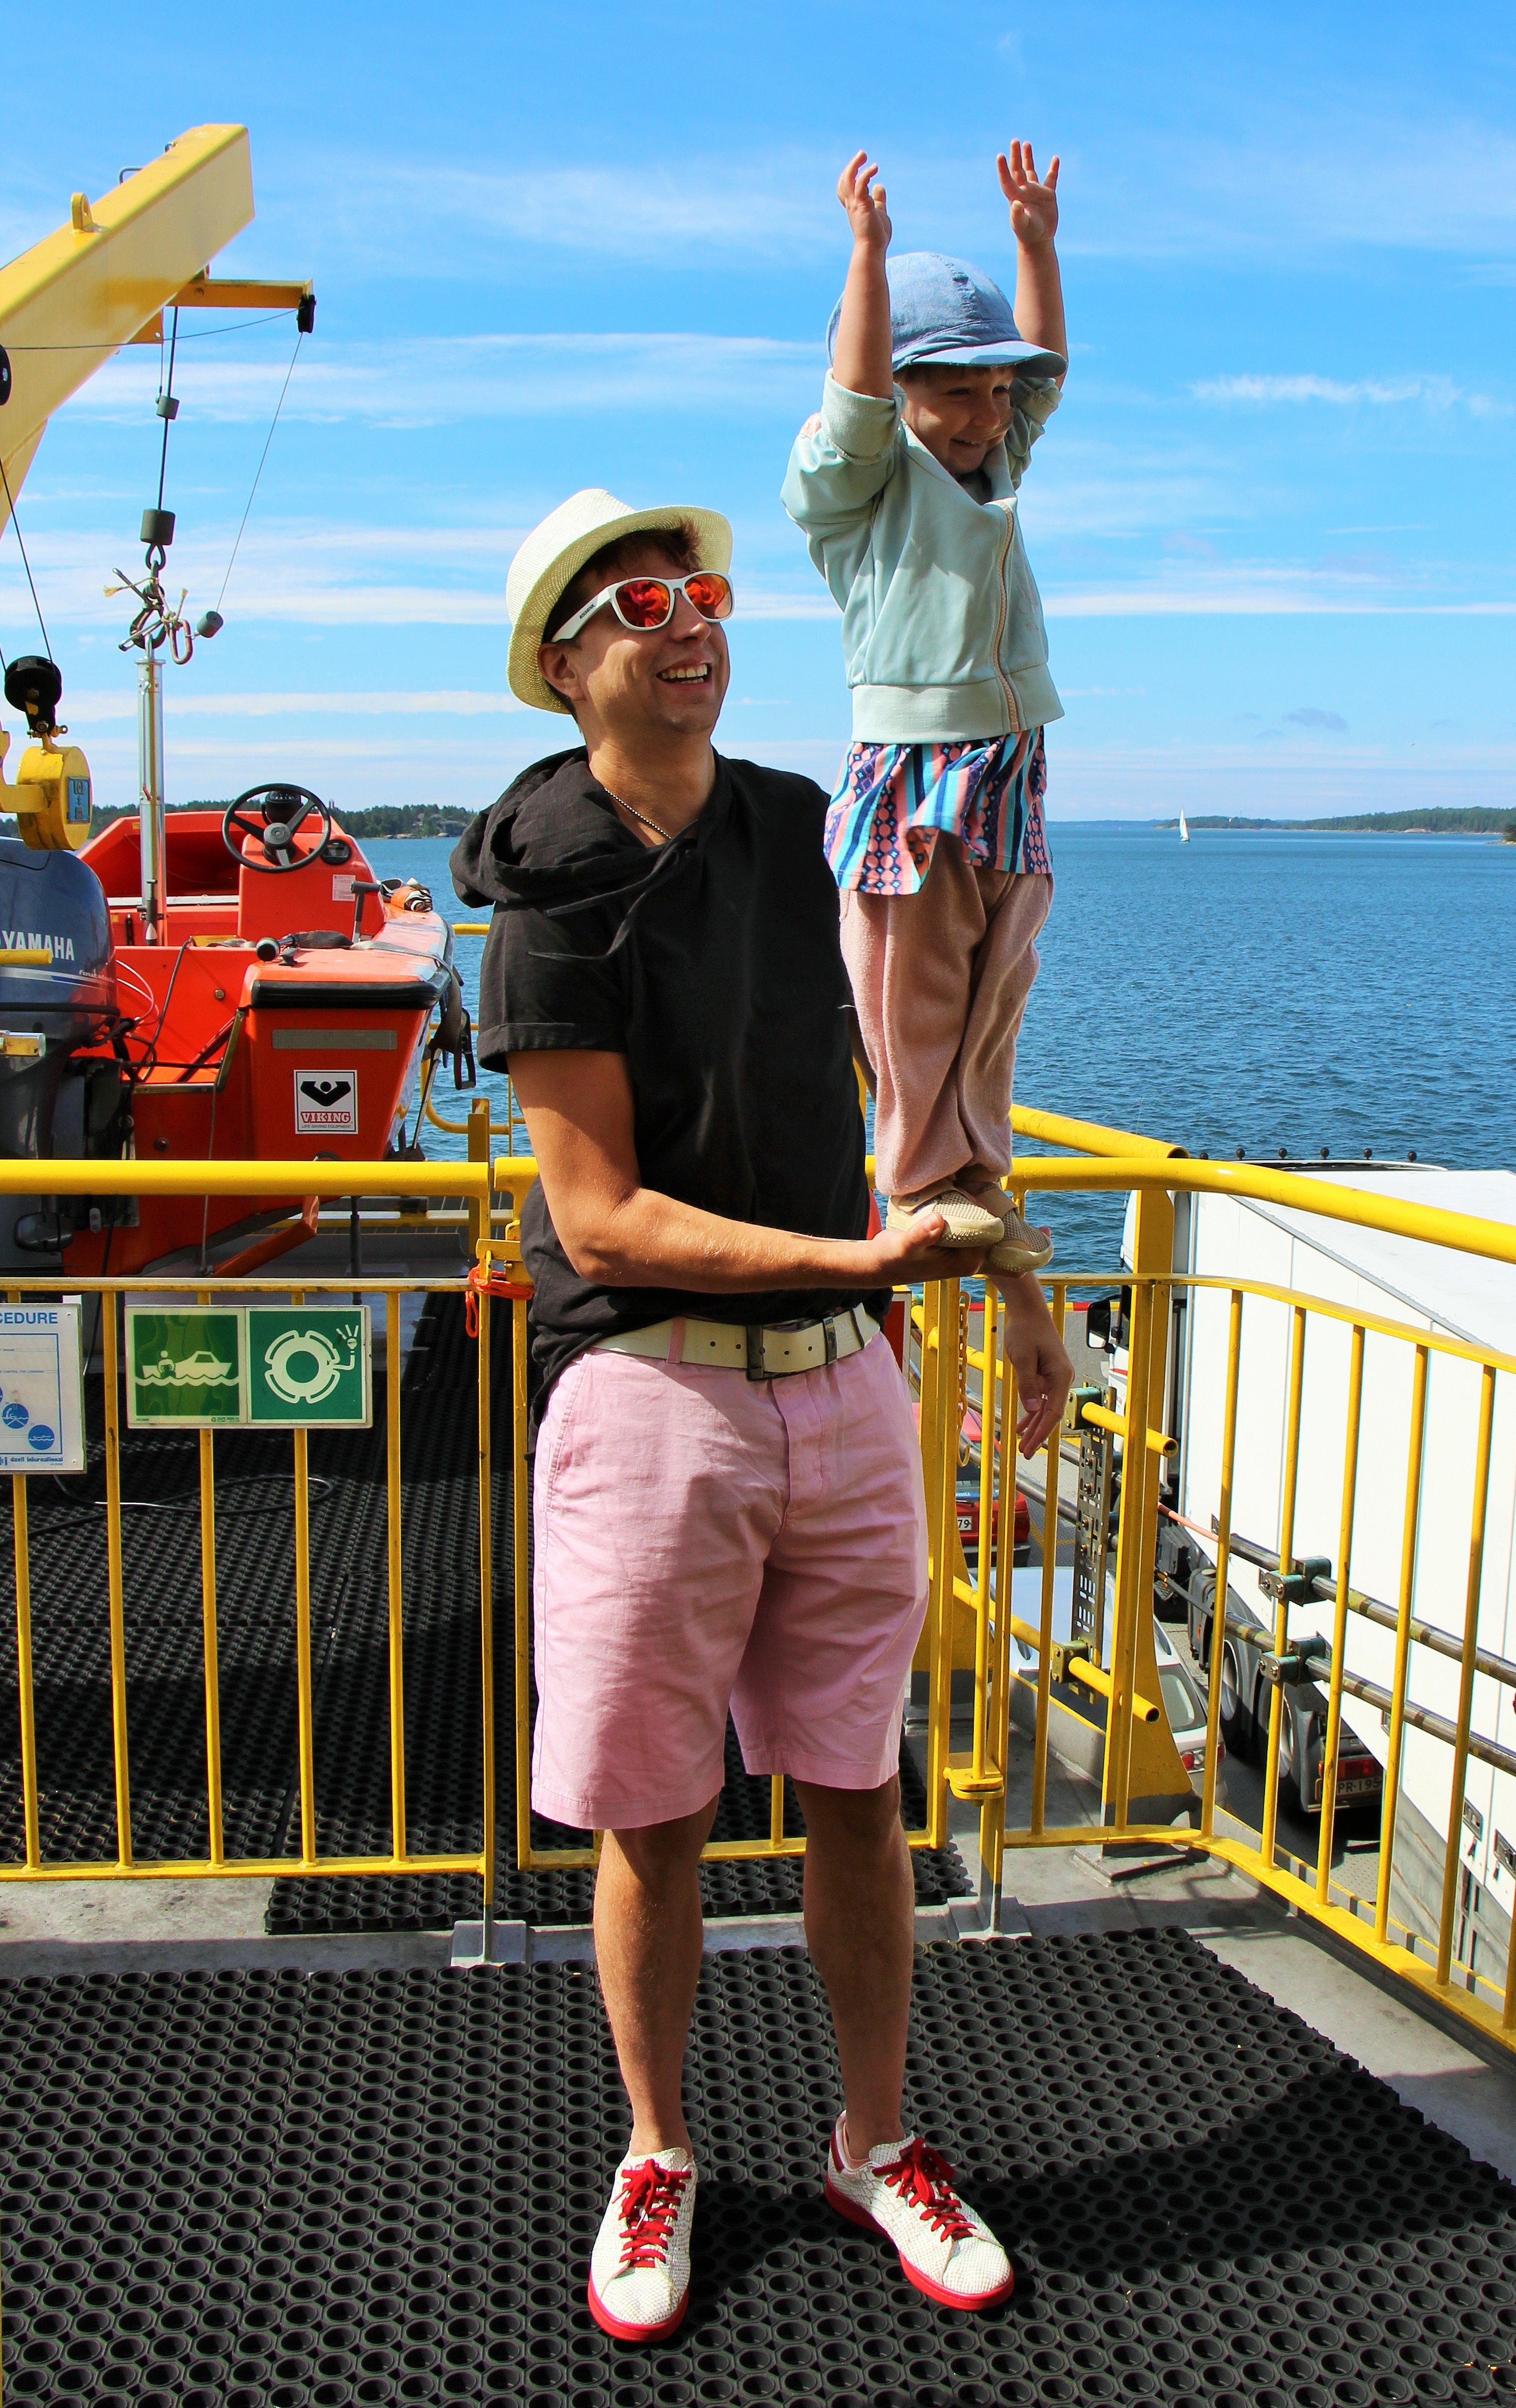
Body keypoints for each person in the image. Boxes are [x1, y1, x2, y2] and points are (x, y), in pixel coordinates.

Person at [452, 488, 1073, 2344]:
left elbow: (932, 1065)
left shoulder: (807, 827)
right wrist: (856, 1259)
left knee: (860, 1795)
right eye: (641, 607)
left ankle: (874, 2144)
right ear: (566, 664)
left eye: (704, 593)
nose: (691, 624)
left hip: (842, 1383)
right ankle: (658, 2152)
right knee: (652, 1815)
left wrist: (1017, 1287)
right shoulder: (543, 899)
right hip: (653, 1392)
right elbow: (597, 1219)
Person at [782, 141, 1067, 1274]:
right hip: (915, 760)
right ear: (901, 393)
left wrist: (1036, 250)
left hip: (1010, 757)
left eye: (994, 393)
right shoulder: (856, 485)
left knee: (999, 976)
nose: (986, 415)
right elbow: (856, 402)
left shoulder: (993, 467)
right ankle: (916, 1177)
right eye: (955, 391)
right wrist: (867, 254)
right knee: (914, 981)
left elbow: (1043, 376)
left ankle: (976, 1172)